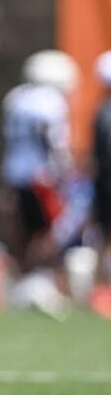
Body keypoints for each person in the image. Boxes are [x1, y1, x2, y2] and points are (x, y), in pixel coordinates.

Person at [2, 50, 78, 271]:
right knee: (54, 229)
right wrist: (64, 167)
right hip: (41, 175)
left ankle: (24, 271)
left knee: (24, 229)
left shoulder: (16, 98)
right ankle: (41, 271)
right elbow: (51, 139)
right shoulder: (49, 101)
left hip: (14, 173)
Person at [91, 51, 111, 317]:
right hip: (108, 185)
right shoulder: (106, 113)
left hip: (104, 185)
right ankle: (101, 292)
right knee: (105, 240)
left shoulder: (101, 110)